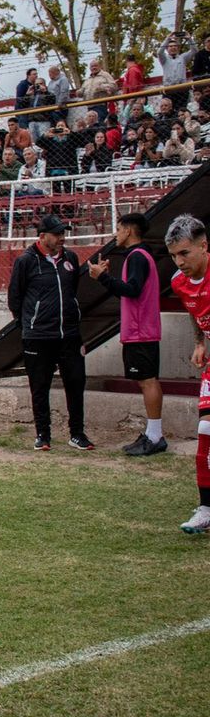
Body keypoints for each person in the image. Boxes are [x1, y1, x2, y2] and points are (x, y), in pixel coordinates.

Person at [7, 214, 92, 452]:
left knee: (75, 383)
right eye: (57, 234)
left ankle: (77, 433)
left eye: (63, 233)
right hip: (38, 336)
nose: (62, 238)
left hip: (70, 335)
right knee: (40, 386)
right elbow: (15, 297)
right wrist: (30, 322)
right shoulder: (26, 261)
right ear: (43, 236)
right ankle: (43, 434)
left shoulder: (71, 259)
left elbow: (72, 289)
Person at [88, 213, 165, 456]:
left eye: (119, 228)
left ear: (129, 231)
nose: (116, 234)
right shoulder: (141, 256)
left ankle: (155, 437)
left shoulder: (136, 256)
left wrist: (102, 277)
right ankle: (153, 434)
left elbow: (131, 291)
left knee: (148, 380)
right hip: (142, 329)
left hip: (141, 331)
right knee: (147, 380)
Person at [164, 214, 210, 533]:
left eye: (185, 253)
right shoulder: (180, 283)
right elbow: (195, 312)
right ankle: (206, 508)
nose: (179, 262)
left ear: (204, 246)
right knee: (205, 431)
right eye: (174, 256)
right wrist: (198, 342)